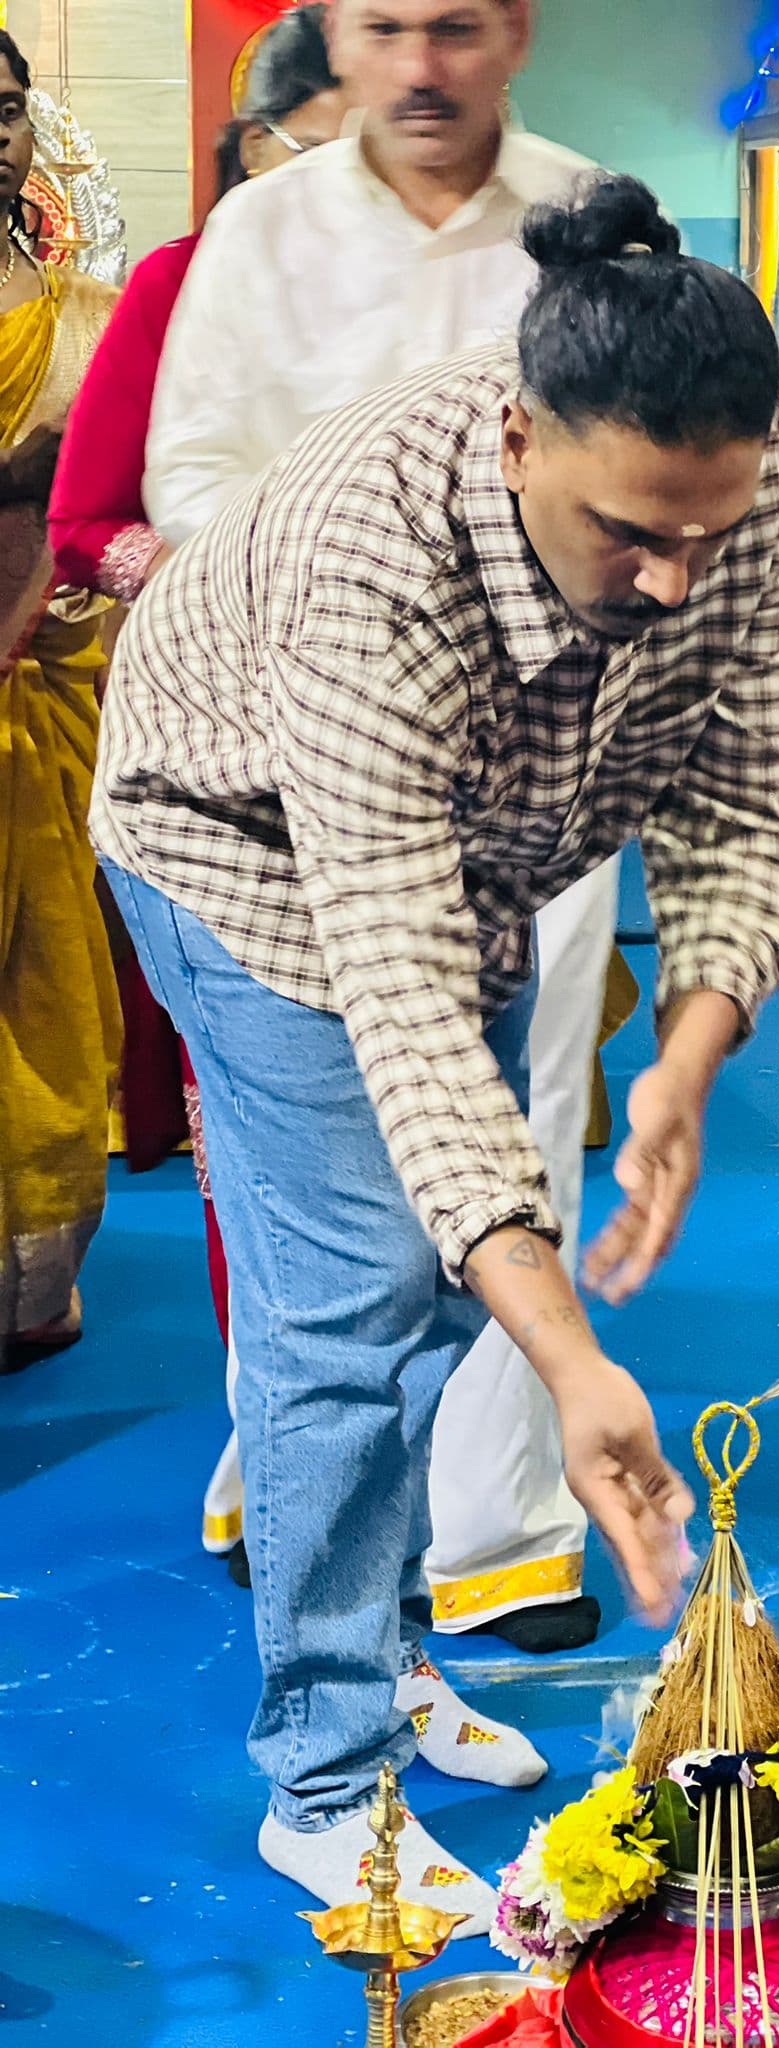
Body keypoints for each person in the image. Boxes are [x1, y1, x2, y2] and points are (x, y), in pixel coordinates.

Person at [93, 173, 779, 1930]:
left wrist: (689, 1053)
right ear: (518, 439)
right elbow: (404, 996)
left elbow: (758, 774)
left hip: (489, 863)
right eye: (631, 537)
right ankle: (325, 1781)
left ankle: (388, 1642)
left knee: (438, 1289)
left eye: (707, 534)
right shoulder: (380, 548)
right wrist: (577, 1366)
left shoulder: (768, 473)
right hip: (245, 848)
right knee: (347, 1298)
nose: (677, 578)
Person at [142, 0, 616, 1651]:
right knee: (310, 1172)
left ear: (518, 37)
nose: (422, 67)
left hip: (549, 755)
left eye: (458, 28)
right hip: (307, 770)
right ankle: (299, 1486)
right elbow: (187, 473)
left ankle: (496, 1526)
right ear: (334, 43)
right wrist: (354, 585)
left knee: (525, 1114)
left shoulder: (590, 217)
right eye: (389, 28)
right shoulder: (260, 236)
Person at [47, 2, 347, 1575]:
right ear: (260, 149)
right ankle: (269, 1438)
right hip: (234, 779)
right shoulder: (175, 291)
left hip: (441, 795)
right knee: (265, 1139)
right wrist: (234, 572)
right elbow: (89, 523)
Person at [0, 31, 121, 1372]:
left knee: (51, 996)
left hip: (64, 691)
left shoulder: (88, 314)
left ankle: (33, 1284)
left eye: (9, 108)